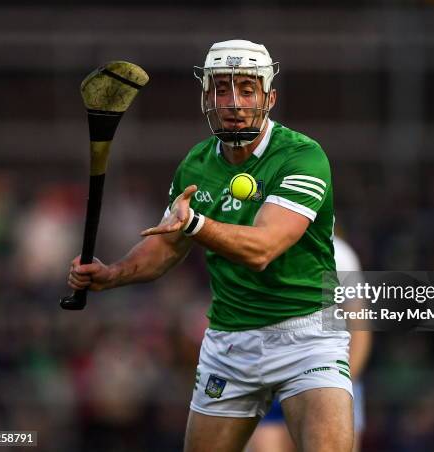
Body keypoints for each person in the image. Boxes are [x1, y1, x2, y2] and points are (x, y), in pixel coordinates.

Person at [67, 39, 353, 452]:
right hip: (230, 342)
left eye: (247, 89)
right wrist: (111, 274)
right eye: (222, 89)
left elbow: (263, 248)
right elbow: (165, 249)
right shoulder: (196, 165)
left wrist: (197, 223)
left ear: (269, 97)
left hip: (306, 337)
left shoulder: (302, 157)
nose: (234, 102)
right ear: (206, 97)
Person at [248, 235, 372, 452]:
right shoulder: (258, 247)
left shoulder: (338, 255)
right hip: (271, 378)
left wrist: (341, 387)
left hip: (330, 374)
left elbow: (360, 328)